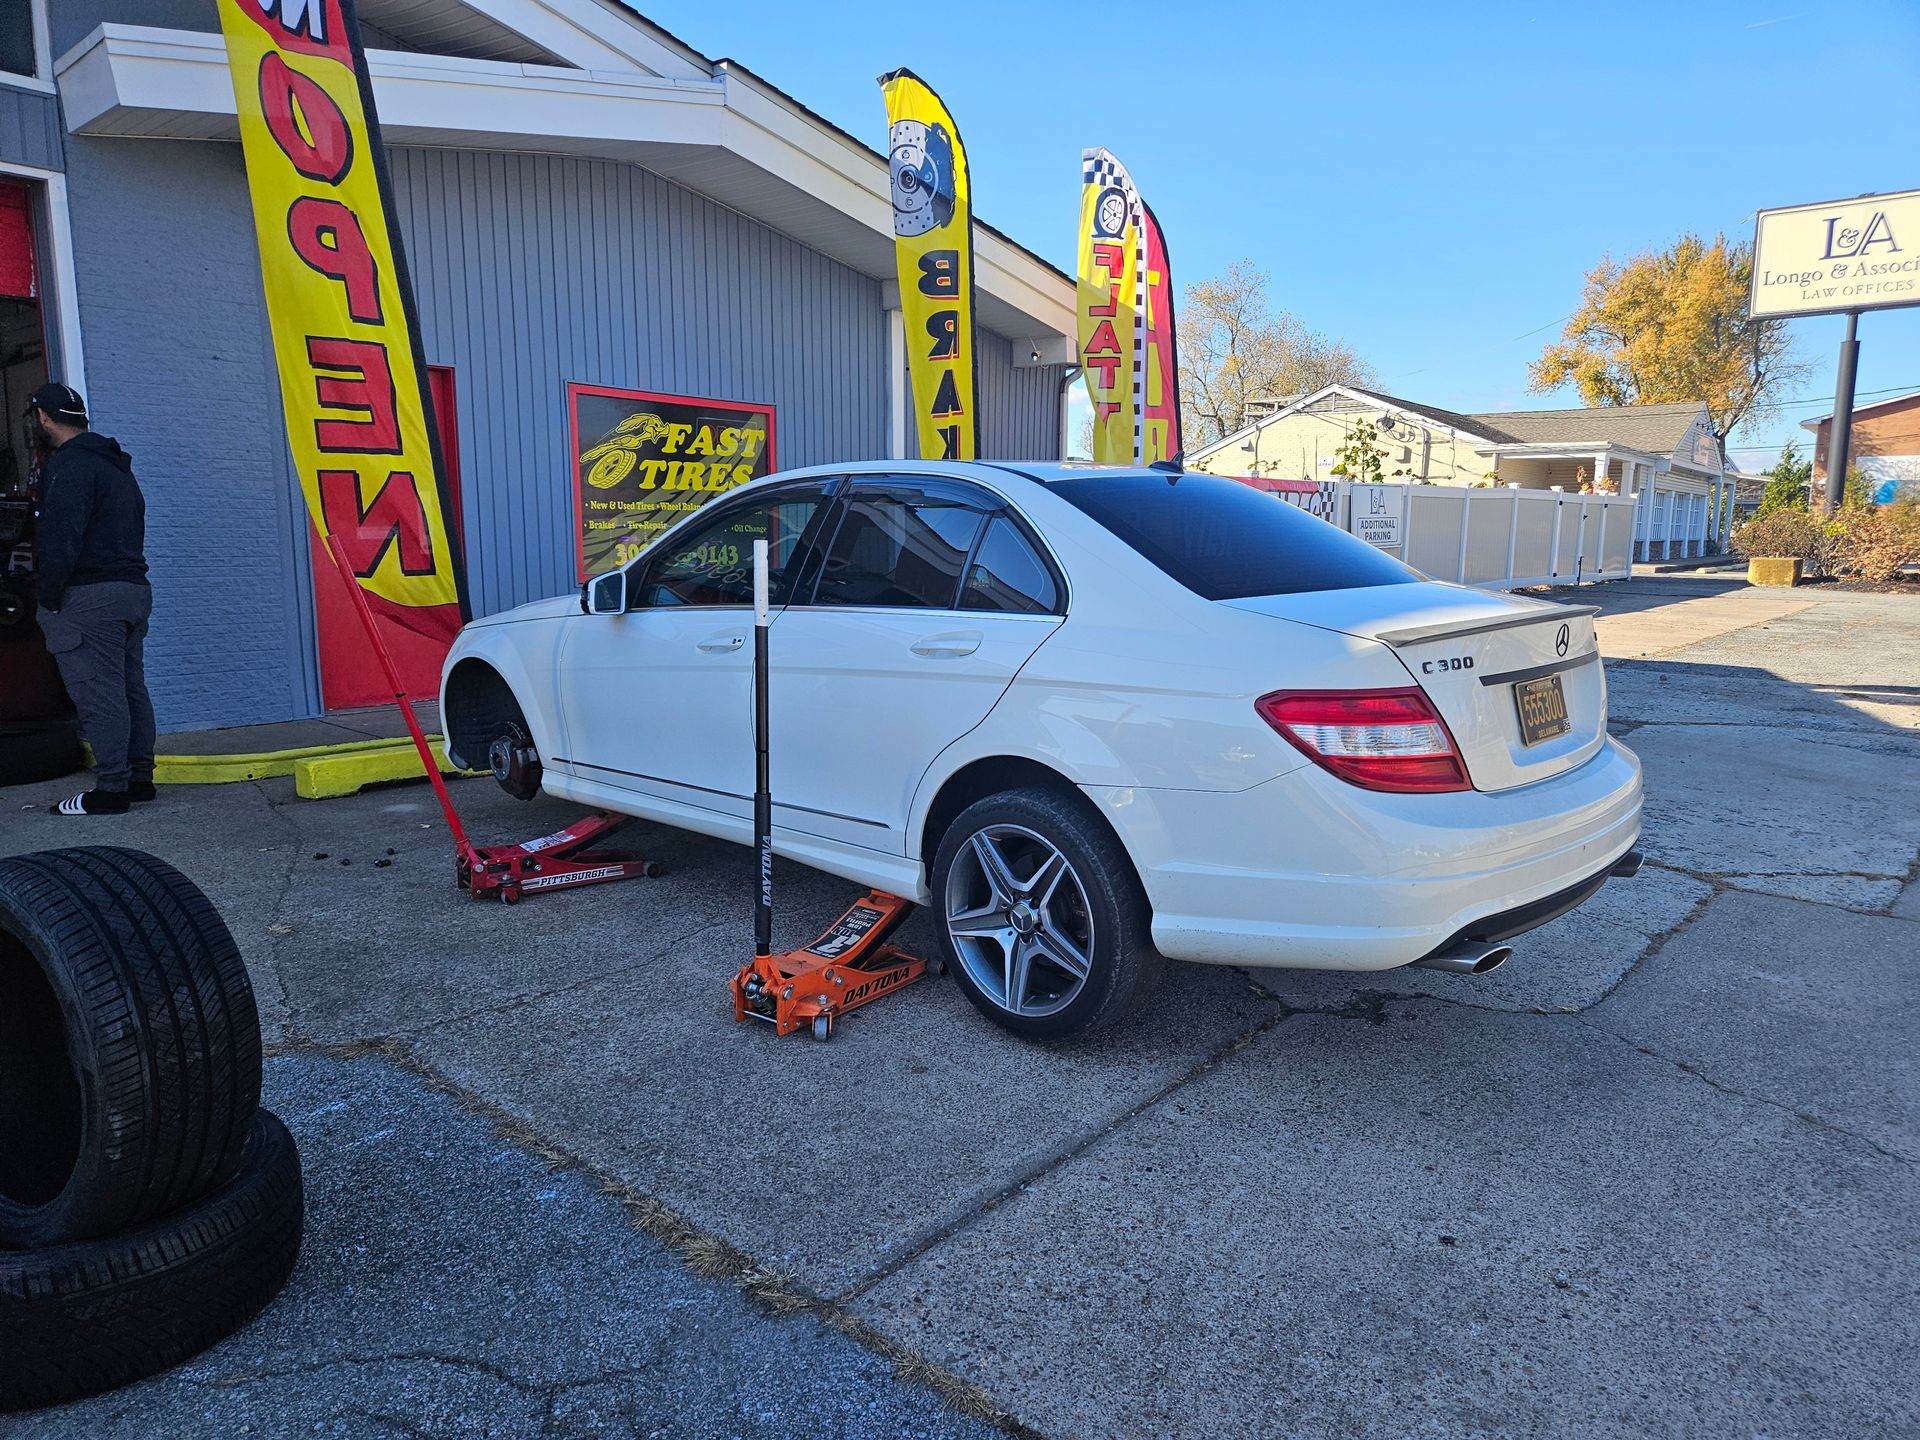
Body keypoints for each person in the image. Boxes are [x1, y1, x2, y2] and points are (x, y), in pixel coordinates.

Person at [27, 383, 157, 816]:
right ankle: (139, 779)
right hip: (132, 590)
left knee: (99, 694)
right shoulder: (116, 466)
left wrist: (46, 599)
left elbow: (61, 537)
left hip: (89, 596)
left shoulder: (70, 466)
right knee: (128, 687)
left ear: (44, 417)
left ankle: (111, 790)